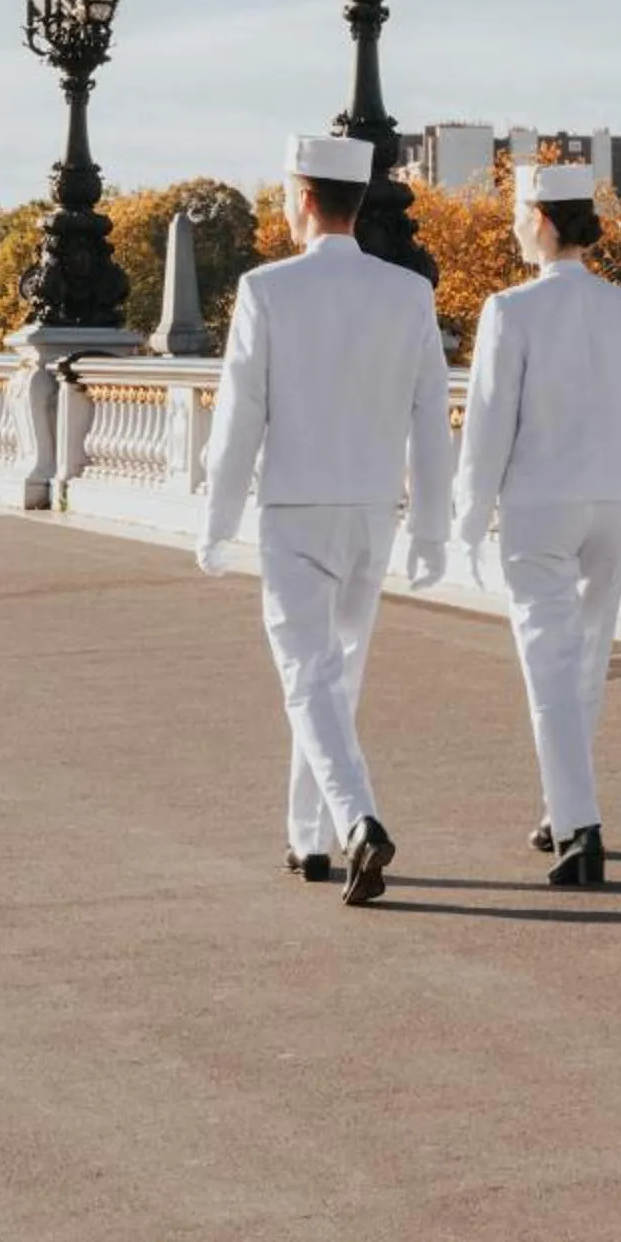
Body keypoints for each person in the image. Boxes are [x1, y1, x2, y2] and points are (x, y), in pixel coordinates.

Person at [197, 135, 455, 907]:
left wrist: (215, 519)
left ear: (304, 199)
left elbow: (240, 417)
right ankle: (306, 836)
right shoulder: (409, 293)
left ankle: (356, 819)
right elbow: (429, 422)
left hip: (295, 510)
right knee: (336, 679)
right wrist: (433, 529)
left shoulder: (266, 289)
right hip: (373, 510)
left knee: (309, 678)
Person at [454, 165, 621, 888]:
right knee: (584, 664)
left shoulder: (510, 310)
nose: (514, 226)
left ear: (544, 220)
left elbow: (488, 426)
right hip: (612, 503)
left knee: (548, 664)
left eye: (519, 214)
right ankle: (561, 807)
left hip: (539, 506)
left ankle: (581, 826)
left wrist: (467, 515)